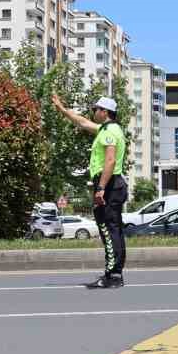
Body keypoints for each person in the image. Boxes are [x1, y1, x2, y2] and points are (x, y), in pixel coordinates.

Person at [53, 92, 129, 289]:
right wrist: (62, 109)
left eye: (96, 109)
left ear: (105, 112)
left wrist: (101, 188)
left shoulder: (110, 132)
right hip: (111, 184)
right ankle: (115, 274)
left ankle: (112, 275)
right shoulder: (106, 129)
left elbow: (110, 161)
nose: (94, 112)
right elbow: (82, 122)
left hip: (109, 184)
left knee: (108, 230)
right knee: (113, 230)